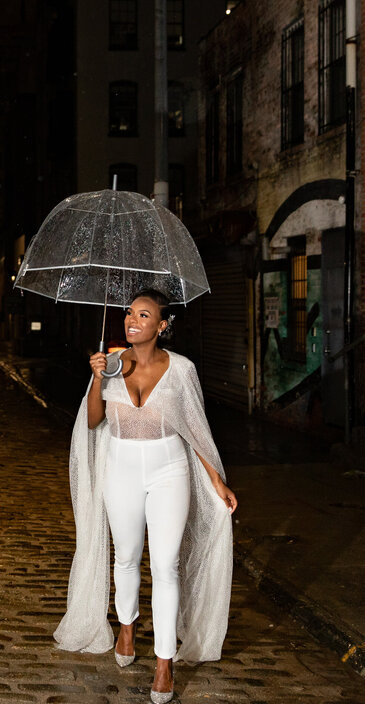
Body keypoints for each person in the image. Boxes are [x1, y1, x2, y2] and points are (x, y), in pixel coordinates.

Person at [54, 289, 237, 704]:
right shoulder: (112, 363)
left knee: (167, 566)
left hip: (169, 469)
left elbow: (196, 428)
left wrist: (216, 481)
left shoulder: (182, 369)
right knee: (126, 557)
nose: (132, 321)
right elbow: (93, 421)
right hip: (120, 467)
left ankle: (164, 662)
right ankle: (127, 626)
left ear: (162, 325)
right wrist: (99, 376)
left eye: (143, 314)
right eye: (129, 314)